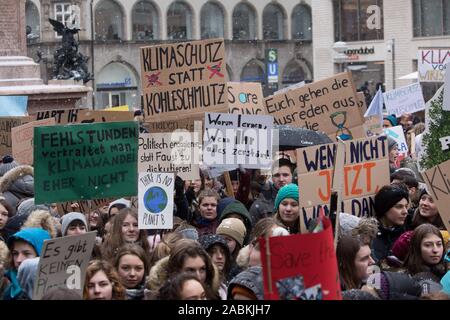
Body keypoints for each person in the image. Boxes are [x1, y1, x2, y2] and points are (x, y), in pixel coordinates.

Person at [146, 239, 220, 300]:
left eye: (202, 269)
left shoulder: (215, 295)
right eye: (190, 270)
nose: (198, 276)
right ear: (175, 271)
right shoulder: (154, 297)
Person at [3, 227, 51, 299]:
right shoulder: (5, 282)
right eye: (15, 253)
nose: (19, 260)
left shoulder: (55, 291)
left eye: (26, 254)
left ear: (41, 254)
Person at [249, 159, 295, 226]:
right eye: (277, 175)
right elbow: (253, 234)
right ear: (272, 177)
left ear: (292, 176)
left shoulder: (302, 200)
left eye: (285, 175)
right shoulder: (260, 205)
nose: (281, 179)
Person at [372, 183, 409, 264]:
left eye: (406, 206)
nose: (405, 212)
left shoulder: (407, 235)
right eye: (399, 207)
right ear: (385, 208)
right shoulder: (369, 237)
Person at [199, 234, 231, 299]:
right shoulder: (199, 289)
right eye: (212, 252)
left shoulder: (225, 287)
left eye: (223, 252)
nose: (220, 256)